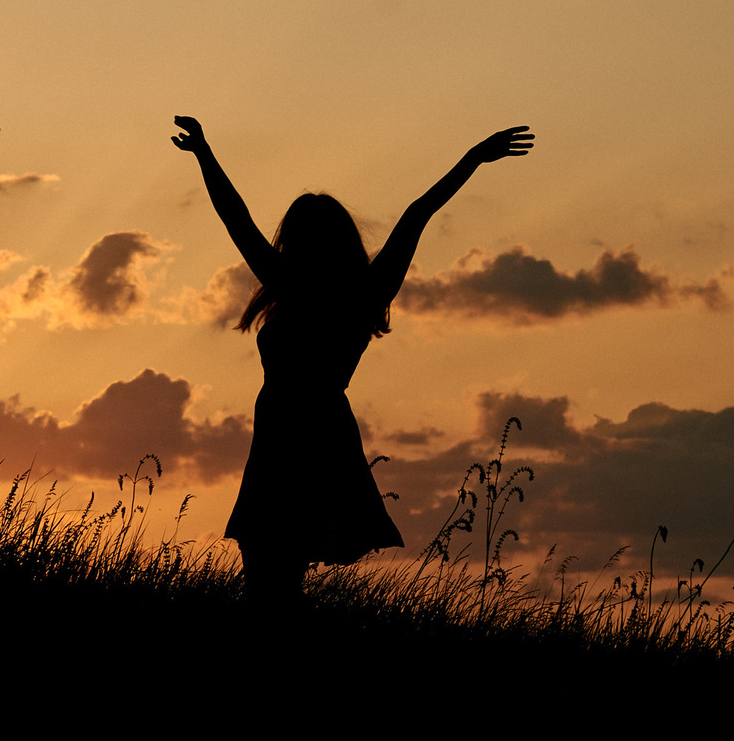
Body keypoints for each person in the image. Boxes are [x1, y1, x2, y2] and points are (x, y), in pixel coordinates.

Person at [170, 114, 534, 592]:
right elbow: (416, 213)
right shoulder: (359, 290)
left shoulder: (303, 287)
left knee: (270, 574)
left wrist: (205, 154)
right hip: (303, 433)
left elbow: (237, 217)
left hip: (295, 434)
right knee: (274, 572)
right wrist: (473, 158)